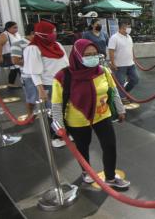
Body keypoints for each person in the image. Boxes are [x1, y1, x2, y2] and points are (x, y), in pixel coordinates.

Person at [51, 39, 130, 189]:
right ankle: (86, 172)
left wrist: (121, 110)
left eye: (95, 54)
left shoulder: (103, 71)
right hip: (77, 120)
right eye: (87, 55)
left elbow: (113, 92)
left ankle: (111, 177)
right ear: (77, 55)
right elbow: (57, 104)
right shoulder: (63, 76)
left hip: (102, 115)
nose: (92, 57)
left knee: (110, 145)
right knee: (82, 148)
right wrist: (59, 126)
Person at [23, 21, 69, 148]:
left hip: (64, 82)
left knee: (65, 109)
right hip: (49, 84)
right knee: (53, 112)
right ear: (42, 34)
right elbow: (34, 72)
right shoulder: (33, 49)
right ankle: (56, 136)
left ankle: (65, 131)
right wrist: (40, 89)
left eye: (54, 31)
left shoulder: (57, 45)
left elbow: (66, 63)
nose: (54, 34)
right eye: (52, 32)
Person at [108, 21, 139, 105]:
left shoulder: (129, 37)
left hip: (130, 64)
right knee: (120, 83)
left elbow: (131, 48)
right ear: (122, 27)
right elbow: (111, 51)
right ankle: (122, 98)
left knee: (135, 79)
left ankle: (124, 93)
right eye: (128, 26)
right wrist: (113, 63)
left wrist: (134, 58)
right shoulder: (114, 38)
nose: (129, 29)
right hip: (119, 65)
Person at [11, 24, 36, 117]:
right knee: (31, 98)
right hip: (28, 76)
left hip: (43, 75)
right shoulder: (17, 44)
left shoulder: (40, 43)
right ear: (33, 32)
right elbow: (15, 60)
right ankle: (30, 115)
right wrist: (32, 63)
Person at [0, 21, 22, 88]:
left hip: (18, 55)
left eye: (17, 27)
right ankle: (24, 82)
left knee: (15, 69)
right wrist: (0, 56)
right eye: (14, 28)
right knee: (18, 69)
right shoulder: (3, 35)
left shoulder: (17, 34)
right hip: (10, 55)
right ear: (8, 28)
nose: (16, 29)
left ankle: (11, 84)